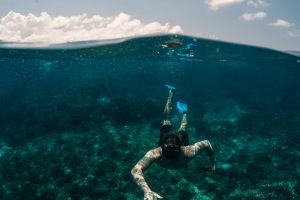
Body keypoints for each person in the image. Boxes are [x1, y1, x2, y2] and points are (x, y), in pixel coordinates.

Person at [131, 85, 216, 200]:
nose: (171, 151)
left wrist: (213, 163)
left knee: (181, 128)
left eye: (173, 148)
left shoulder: (187, 152)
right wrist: (147, 191)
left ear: (180, 146)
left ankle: (184, 112)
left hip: (176, 141)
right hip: (169, 141)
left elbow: (206, 143)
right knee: (167, 118)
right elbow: (136, 170)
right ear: (162, 147)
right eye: (168, 148)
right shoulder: (157, 153)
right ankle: (171, 92)